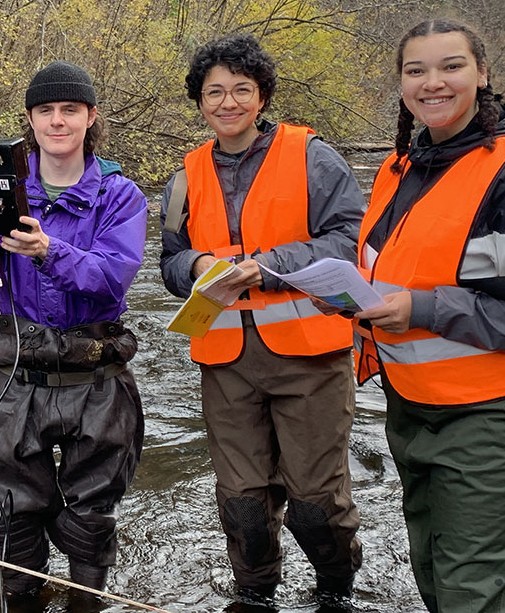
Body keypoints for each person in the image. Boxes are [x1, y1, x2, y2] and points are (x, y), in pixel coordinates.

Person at [347, 18, 505, 613]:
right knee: (437, 579)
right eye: (416, 70)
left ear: (482, 74)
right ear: (401, 83)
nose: (434, 82)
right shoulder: (399, 169)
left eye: (452, 66)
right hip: (414, 408)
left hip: (497, 418)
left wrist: (421, 308)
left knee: (477, 594)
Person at [156, 34, 364, 612]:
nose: (227, 103)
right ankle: (254, 592)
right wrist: (196, 264)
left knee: (314, 499)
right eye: (214, 92)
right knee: (243, 496)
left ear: (263, 96)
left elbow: (349, 240)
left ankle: (335, 589)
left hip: (311, 358)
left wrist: (268, 267)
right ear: (199, 100)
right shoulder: (184, 175)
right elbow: (170, 261)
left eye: (241, 90)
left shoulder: (312, 155)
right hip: (225, 361)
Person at [0, 61, 149, 608]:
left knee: (92, 512)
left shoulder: (120, 195)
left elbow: (111, 279)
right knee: (14, 511)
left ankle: (86, 600)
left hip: (97, 375)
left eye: (70, 110)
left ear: (90, 117)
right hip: (19, 374)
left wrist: (49, 251)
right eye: (46, 111)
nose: (58, 121)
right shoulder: (0, 189)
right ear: (30, 120)